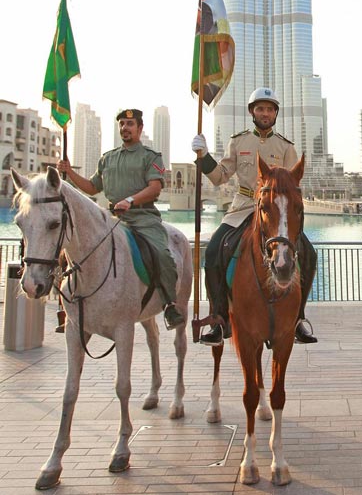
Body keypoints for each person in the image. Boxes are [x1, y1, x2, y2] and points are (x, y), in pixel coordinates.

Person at [191, 87, 318, 346]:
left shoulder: (285, 146)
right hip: (242, 207)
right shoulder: (238, 142)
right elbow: (220, 177)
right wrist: (203, 157)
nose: (265, 113)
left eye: (269, 109)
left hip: (275, 213)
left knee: (309, 254)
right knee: (214, 252)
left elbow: (293, 185)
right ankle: (218, 318)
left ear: (275, 114)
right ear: (252, 112)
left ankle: (298, 318)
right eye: (260, 108)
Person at [57, 109, 184, 328]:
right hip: (111, 218)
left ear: (140, 128)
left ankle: (169, 304)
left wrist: (131, 200)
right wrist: (69, 172)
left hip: (143, 218)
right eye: (122, 124)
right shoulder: (108, 158)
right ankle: (70, 303)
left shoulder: (151, 157)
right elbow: (91, 187)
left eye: (130, 124)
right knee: (72, 250)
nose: (125, 128)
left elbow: (154, 189)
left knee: (162, 255)